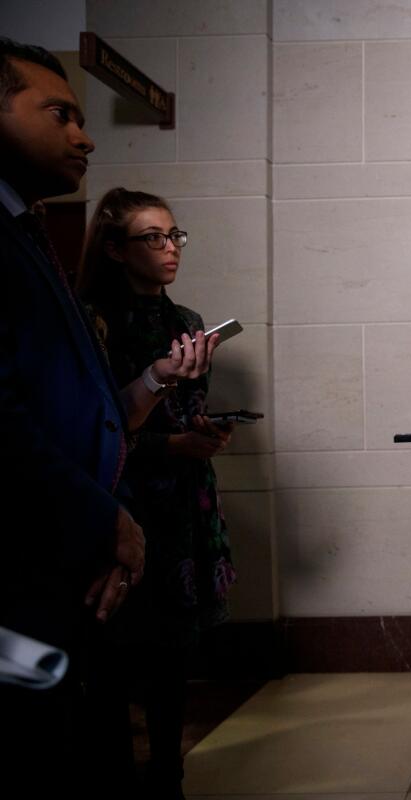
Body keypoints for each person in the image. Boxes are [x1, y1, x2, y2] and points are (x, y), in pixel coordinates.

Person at [0, 37, 142, 791]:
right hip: (29, 558)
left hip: (71, 553)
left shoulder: (26, 226)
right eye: (59, 113)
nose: (84, 136)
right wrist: (101, 517)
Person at [76, 187, 237, 798]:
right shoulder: (90, 318)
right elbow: (93, 430)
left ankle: (170, 774)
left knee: (174, 654)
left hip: (183, 501)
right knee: (114, 656)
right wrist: (169, 446)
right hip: (123, 498)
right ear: (116, 249)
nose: (170, 249)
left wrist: (205, 429)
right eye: (153, 238)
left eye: (175, 236)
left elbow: (187, 409)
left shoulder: (186, 322)